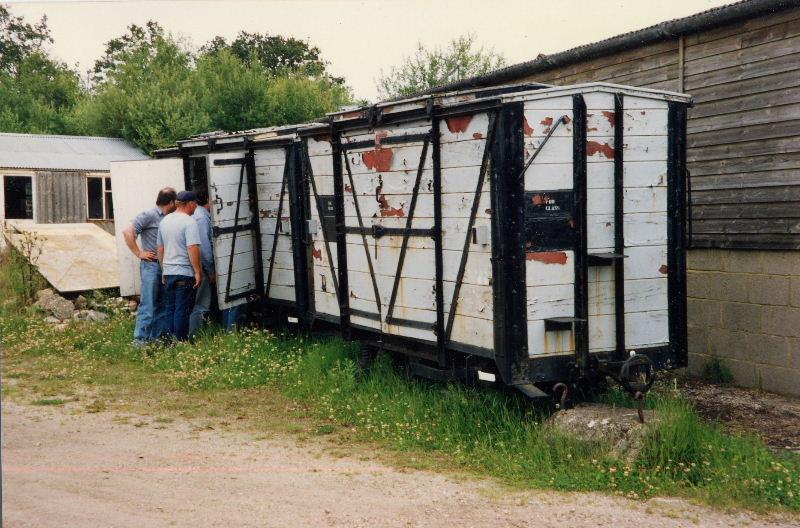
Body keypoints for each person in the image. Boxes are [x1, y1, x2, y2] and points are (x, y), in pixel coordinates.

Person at [123, 187, 176, 345]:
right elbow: (127, 232)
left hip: (165, 266)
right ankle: (139, 341)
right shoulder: (150, 215)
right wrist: (139, 253)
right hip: (151, 266)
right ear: (172, 202)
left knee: (162, 303)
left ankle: (157, 338)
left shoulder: (169, 217)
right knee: (148, 303)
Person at [156, 190, 203, 341]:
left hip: (169, 272)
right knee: (182, 310)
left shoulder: (165, 221)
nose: (196, 206)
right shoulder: (189, 222)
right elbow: (192, 248)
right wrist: (197, 271)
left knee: (170, 309)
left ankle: (170, 343)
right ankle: (181, 342)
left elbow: (160, 248)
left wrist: (164, 270)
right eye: (195, 203)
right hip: (185, 272)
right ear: (189, 204)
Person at [188, 187, 215, 337]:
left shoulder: (195, 215)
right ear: (209, 200)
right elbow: (203, 247)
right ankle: (194, 336)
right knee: (201, 304)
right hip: (201, 267)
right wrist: (210, 270)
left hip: (192, 265)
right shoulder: (202, 217)